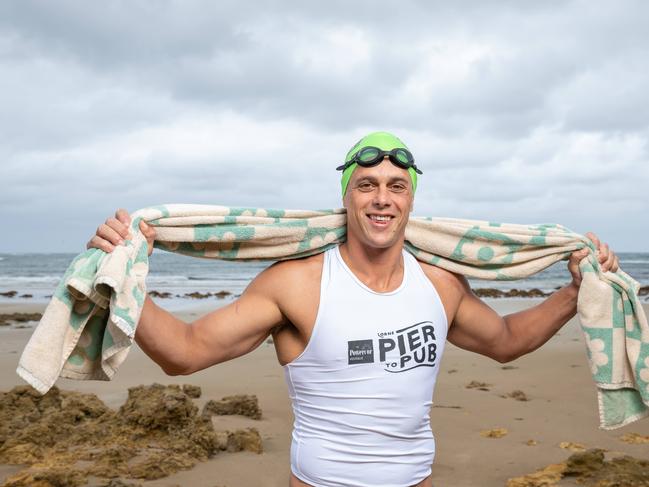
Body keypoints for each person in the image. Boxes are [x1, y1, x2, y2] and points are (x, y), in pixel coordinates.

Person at [88, 132, 619, 487]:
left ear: (411, 202)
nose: (382, 198)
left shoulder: (440, 283)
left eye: (396, 187)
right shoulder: (296, 284)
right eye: (366, 185)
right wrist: (121, 280)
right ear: (347, 198)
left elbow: (505, 341)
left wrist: (575, 293)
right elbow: (185, 353)